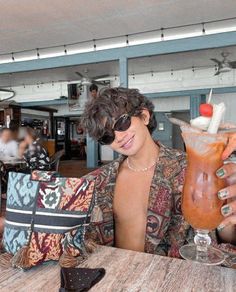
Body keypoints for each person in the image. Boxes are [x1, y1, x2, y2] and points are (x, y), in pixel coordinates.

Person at [81, 87, 236, 263]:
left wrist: (229, 222)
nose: (118, 136)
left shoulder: (192, 168)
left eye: (121, 123)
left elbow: (224, 237)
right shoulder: (98, 182)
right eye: (107, 136)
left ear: (144, 116)